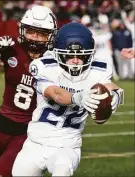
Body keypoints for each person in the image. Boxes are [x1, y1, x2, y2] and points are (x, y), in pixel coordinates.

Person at [12, 22, 124, 176]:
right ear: (59, 52)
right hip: (35, 143)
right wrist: (77, 97)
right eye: (70, 55)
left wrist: (116, 94)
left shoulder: (97, 70)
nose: (76, 60)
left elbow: (110, 86)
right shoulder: (45, 67)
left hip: (67, 146)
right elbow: (55, 93)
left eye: (81, 55)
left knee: (61, 171)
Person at [0, 5, 57, 177]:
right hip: (2, 123)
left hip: (29, 129)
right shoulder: (11, 48)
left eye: (41, 33)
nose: (35, 37)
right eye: (31, 31)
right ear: (22, 30)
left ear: (50, 35)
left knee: (4, 171)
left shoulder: (54, 60)